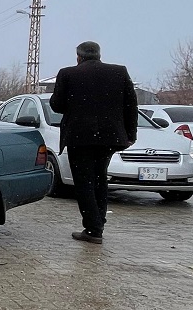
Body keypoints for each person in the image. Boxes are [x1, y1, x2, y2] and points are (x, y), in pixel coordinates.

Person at [48, 41, 138, 244]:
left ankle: (93, 228)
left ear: (78, 57)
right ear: (99, 55)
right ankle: (99, 222)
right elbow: (131, 105)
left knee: (84, 182)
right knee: (99, 179)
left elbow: (57, 105)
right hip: (109, 138)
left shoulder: (67, 74)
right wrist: (130, 134)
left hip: (80, 137)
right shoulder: (119, 72)